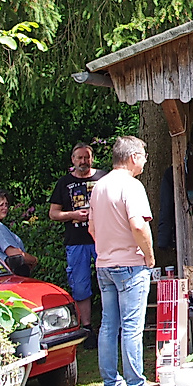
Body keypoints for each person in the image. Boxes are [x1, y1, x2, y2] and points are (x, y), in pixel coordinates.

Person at [87, 136, 167, 386]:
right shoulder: (132, 186)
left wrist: (107, 250)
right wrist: (149, 255)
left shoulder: (99, 186)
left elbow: (91, 229)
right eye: (143, 155)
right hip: (130, 265)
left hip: (104, 265)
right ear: (132, 157)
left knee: (109, 326)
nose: (145, 159)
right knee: (132, 327)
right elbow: (138, 225)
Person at [49, 143, 107, 348]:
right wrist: (72, 215)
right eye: (79, 158)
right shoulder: (64, 183)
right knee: (81, 286)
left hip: (103, 240)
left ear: (92, 159)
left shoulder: (103, 178)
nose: (83, 162)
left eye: (87, 157)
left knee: (108, 282)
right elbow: (53, 213)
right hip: (76, 242)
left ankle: (110, 326)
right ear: (72, 160)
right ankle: (87, 329)